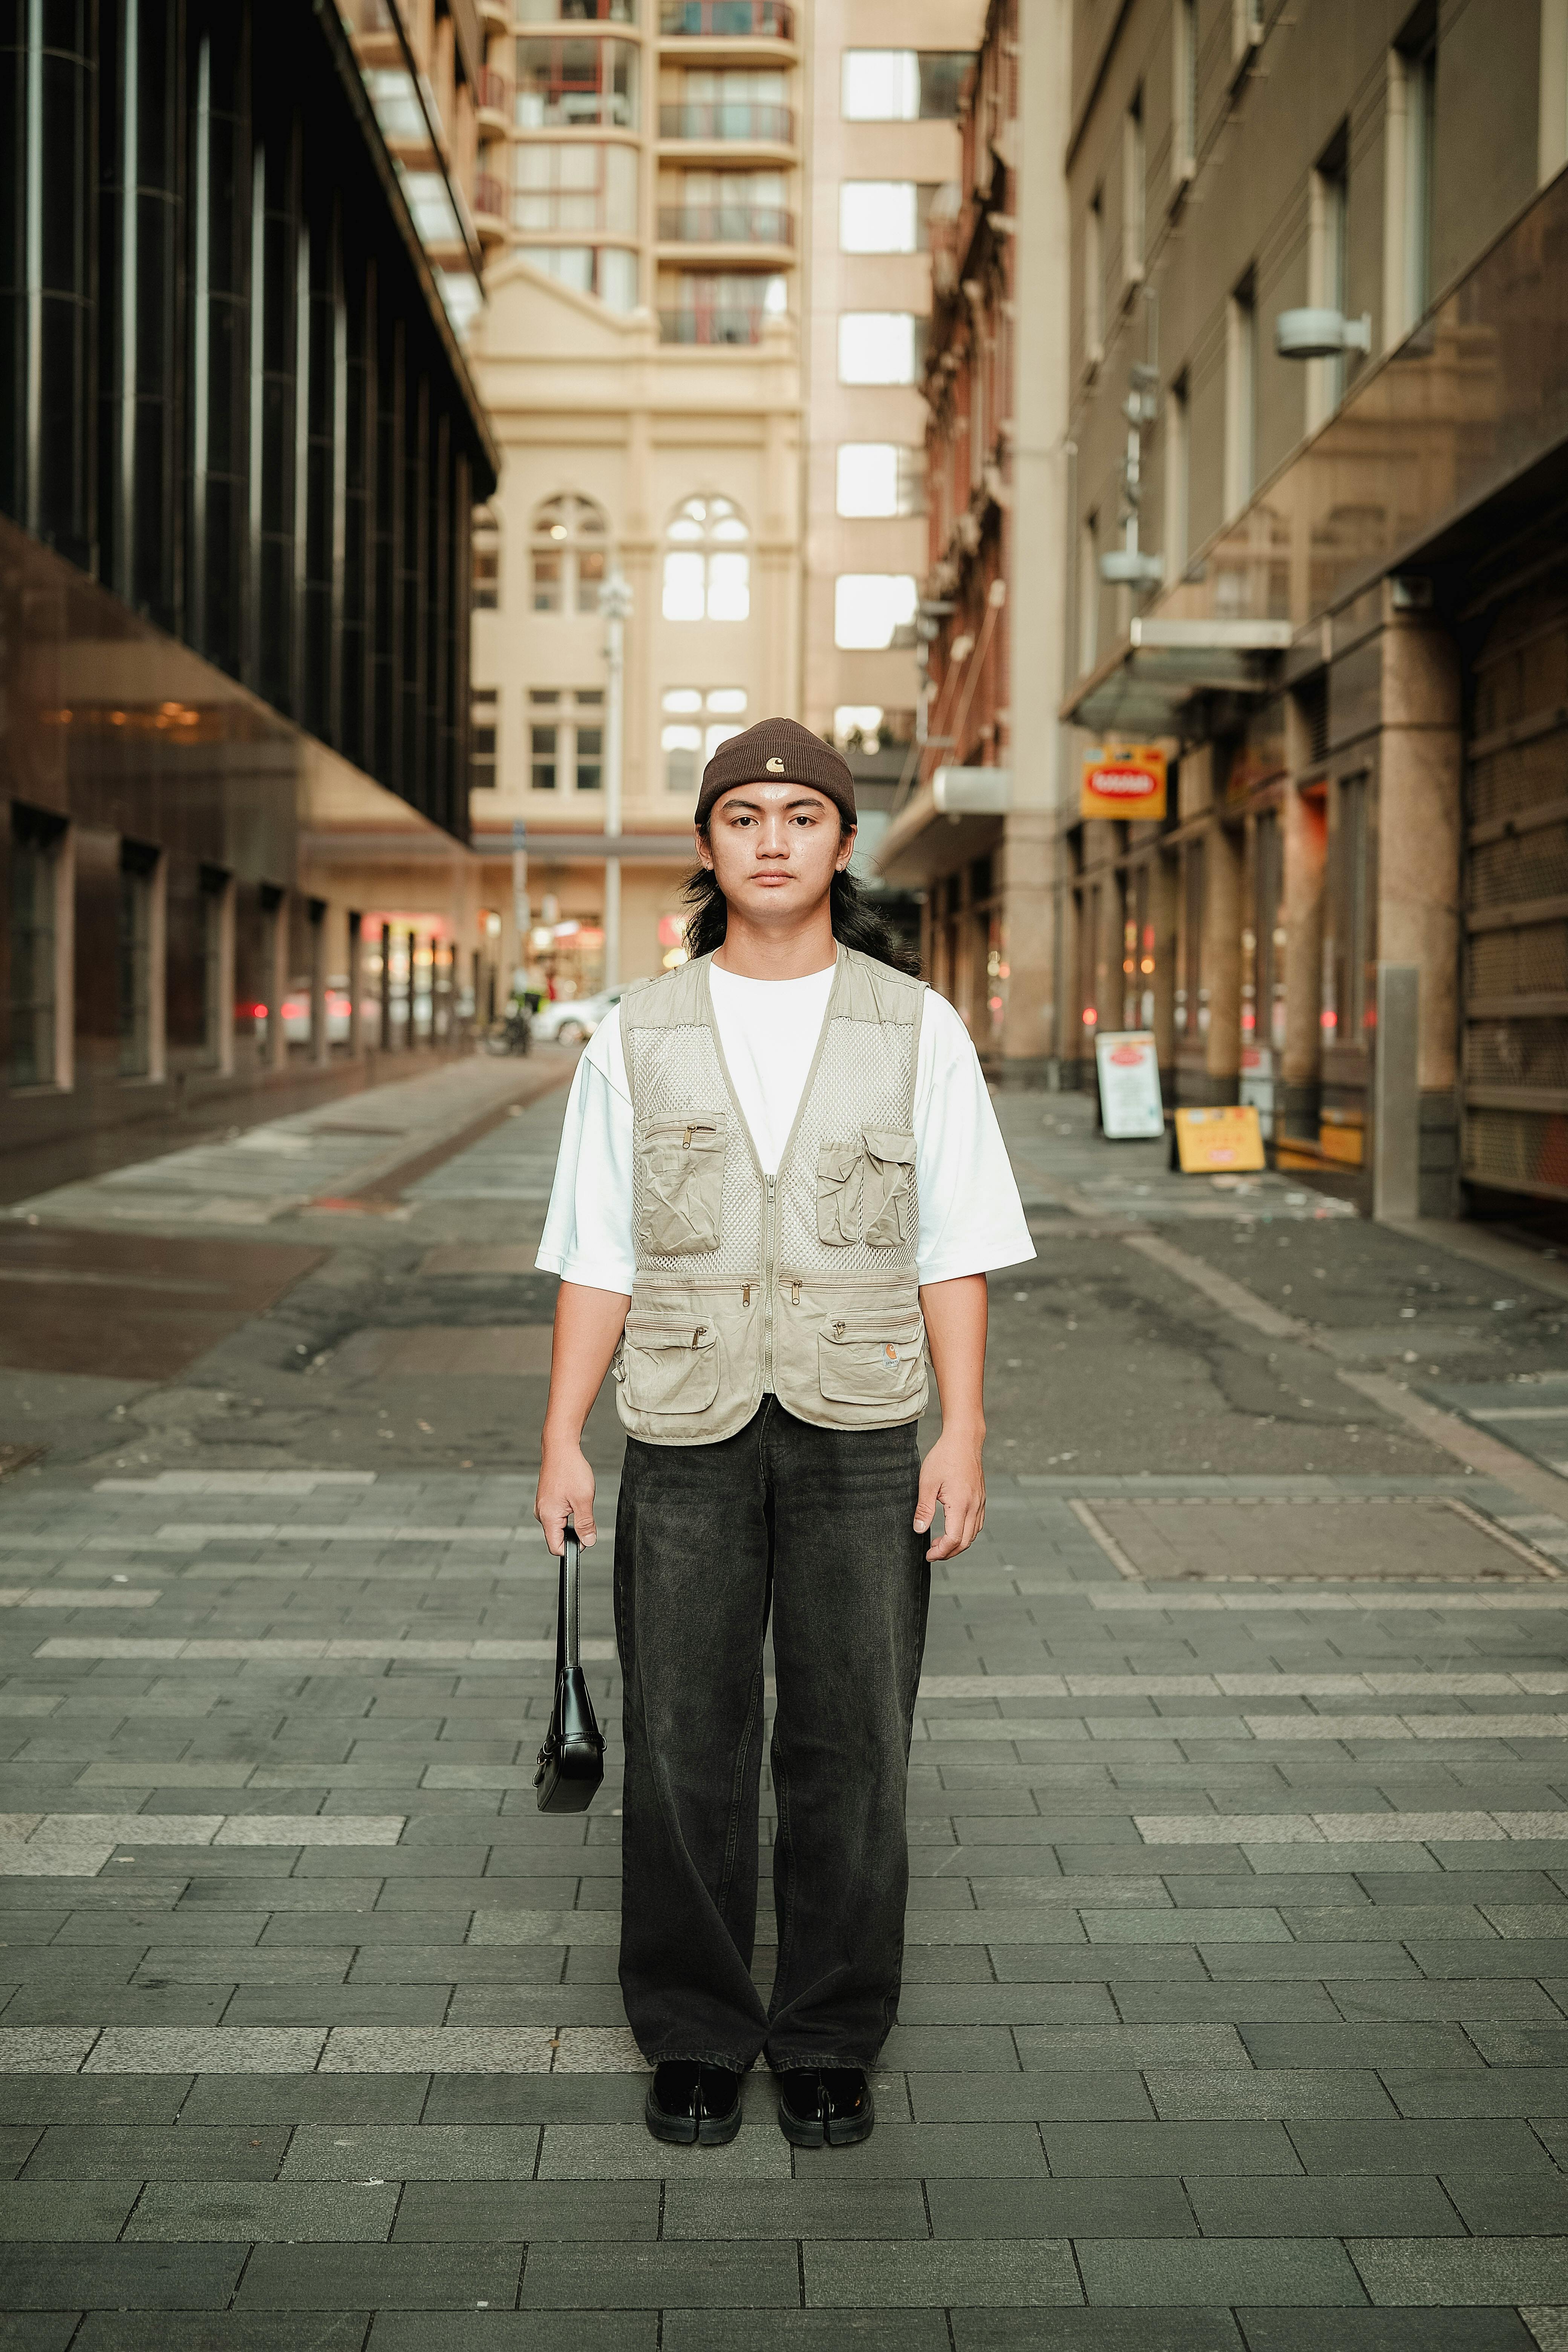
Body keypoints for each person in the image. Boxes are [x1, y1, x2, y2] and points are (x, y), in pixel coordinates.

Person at [534, 717, 1033, 2151]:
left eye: (800, 815)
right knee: (685, 1736)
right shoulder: (637, 1033)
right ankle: (693, 2035)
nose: (770, 838)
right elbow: (596, 1250)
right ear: (707, 845)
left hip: (865, 1425)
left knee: (854, 1739)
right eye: (742, 815)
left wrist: (967, 1429)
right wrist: (564, 1436)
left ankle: (827, 2034)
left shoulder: (917, 1026)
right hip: (682, 1425)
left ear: (842, 841)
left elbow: (959, 1246)